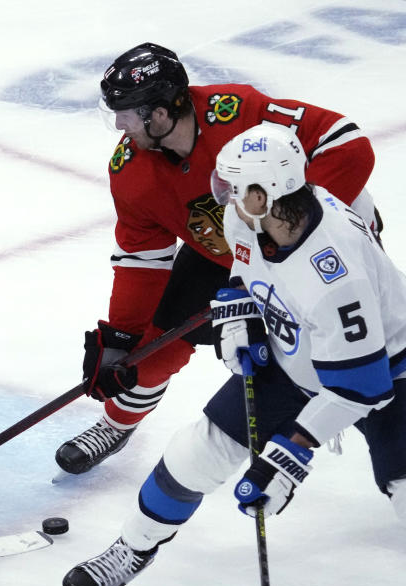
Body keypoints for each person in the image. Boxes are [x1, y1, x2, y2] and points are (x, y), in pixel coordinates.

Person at [61, 123, 406, 586]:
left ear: (265, 195)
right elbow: (246, 275)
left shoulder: (333, 275)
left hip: (389, 372)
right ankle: (133, 548)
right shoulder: (247, 219)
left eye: (232, 187)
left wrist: (288, 457)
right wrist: (237, 321)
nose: (220, 195)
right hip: (296, 358)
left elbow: (362, 386)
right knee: (192, 454)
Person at [55, 42, 381, 475]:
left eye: (129, 112)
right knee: (154, 345)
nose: (119, 124)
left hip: (320, 245)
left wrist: (294, 230)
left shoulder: (239, 113)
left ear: (161, 112)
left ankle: (391, 444)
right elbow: (141, 261)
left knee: (348, 356)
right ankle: (115, 425)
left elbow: (347, 143)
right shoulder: (130, 170)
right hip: (228, 251)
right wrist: (121, 340)